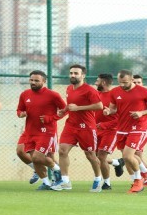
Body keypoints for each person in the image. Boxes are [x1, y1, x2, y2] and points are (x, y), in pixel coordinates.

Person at [51, 64, 104, 192]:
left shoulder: (90, 90)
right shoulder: (69, 88)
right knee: (62, 151)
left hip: (86, 127)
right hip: (71, 125)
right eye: (71, 73)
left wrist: (79, 108)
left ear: (83, 75)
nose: (73, 75)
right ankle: (65, 181)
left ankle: (98, 179)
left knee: (90, 155)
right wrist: (63, 111)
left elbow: (99, 106)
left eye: (76, 73)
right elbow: (70, 105)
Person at [104, 70, 147, 193]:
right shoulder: (115, 92)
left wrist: (141, 113)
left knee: (128, 155)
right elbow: (113, 108)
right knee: (128, 157)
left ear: (132, 79)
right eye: (120, 82)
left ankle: (139, 181)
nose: (122, 85)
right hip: (122, 128)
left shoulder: (144, 92)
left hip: (139, 127)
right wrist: (108, 112)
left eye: (125, 82)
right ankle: (145, 174)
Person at [17, 70, 66, 190]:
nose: (33, 82)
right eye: (31, 80)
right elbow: (19, 110)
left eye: (36, 81)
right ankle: (46, 183)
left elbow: (65, 109)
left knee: (38, 157)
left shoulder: (53, 95)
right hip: (30, 131)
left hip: (46, 131)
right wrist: (21, 114)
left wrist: (51, 118)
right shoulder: (25, 94)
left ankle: (58, 171)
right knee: (33, 157)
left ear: (44, 81)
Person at [93, 73, 119, 190]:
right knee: (94, 156)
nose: (95, 83)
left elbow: (120, 118)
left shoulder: (115, 96)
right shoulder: (96, 95)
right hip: (97, 130)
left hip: (111, 131)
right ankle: (116, 163)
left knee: (102, 156)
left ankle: (106, 183)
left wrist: (104, 125)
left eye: (97, 81)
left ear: (103, 83)